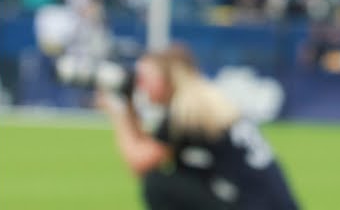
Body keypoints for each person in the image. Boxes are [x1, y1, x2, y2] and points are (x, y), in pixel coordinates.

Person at [95, 43, 301, 210]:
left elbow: (140, 163)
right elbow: (149, 147)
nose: (141, 86)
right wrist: (129, 106)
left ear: (169, 77)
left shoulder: (188, 110)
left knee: (158, 185)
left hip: (253, 203)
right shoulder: (203, 99)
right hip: (267, 202)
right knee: (185, 173)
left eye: (146, 78)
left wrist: (119, 113)